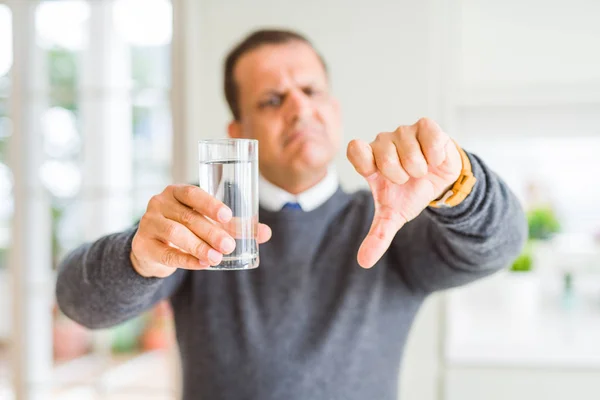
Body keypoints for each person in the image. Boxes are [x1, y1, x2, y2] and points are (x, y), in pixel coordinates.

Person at [56, 29, 527, 400]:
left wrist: (460, 182)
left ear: (334, 110)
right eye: (273, 100)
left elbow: (501, 244)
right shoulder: (200, 225)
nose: (299, 108)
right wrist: (136, 256)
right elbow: (78, 301)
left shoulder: (391, 224)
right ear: (238, 130)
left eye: (310, 90)